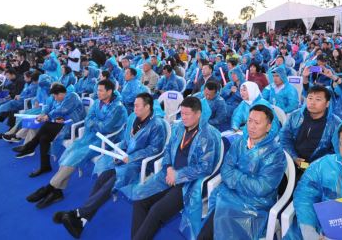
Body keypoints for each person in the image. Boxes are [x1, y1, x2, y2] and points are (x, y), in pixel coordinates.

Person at [51, 93, 168, 238]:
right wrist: (120, 153)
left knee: (112, 182)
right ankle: (81, 220)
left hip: (140, 164)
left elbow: (155, 149)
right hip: (125, 157)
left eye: (138, 105)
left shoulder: (157, 124)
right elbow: (126, 140)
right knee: (103, 177)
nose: (134, 108)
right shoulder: (133, 118)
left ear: (148, 107)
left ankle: (79, 213)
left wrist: (131, 157)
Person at [128, 97, 222, 240]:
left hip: (189, 183)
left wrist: (178, 175)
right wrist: (169, 167)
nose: (183, 117)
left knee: (156, 211)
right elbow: (167, 151)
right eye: (182, 113)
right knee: (140, 198)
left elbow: (204, 167)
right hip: (168, 174)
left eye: (187, 114)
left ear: (198, 114)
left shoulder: (208, 135)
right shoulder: (178, 128)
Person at [26, 79, 127, 209]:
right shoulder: (97, 102)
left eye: (101, 90)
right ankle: (57, 191)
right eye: (98, 90)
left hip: (105, 141)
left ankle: (50, 187)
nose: (98, 93)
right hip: (89, 136)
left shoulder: (119, 108)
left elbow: (106, 128)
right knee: (70, 151)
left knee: (75, 156)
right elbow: (88, 119)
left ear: (110, 91)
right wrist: (95, 123)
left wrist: (94, 123)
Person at [198, 103, 285, 239]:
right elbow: (226, 169)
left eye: (257, 122)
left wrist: (236, 176)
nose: (251, 126)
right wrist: (242, 179)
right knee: (206, 232)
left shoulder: (275, 153)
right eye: (249, 121)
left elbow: (262, 188)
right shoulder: (240, 142)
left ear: (268, 127)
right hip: (229, 195)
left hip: (254, 204)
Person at [14, 84, 85, 177]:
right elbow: (58, 111)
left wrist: (48, 116)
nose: (55, 99)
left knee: (47, 125)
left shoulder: (72, 96)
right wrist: (50, 116)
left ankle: (30, 145)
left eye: (55, 96)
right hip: (65, 123)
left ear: (60, 94)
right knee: (44, 138)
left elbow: (62, 110)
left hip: (75, 126)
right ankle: (45, 166)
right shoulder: (63, 98)